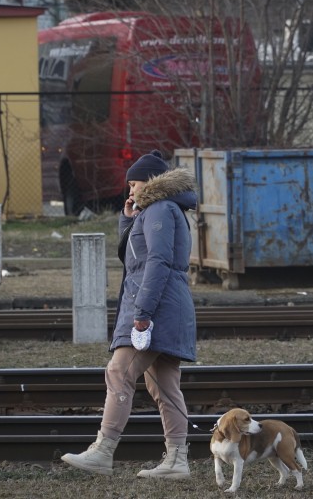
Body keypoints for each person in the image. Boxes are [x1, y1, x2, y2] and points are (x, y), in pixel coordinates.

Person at [61, 149, 198, 479]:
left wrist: (143, 313)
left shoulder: (161, 209)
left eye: (134, 183)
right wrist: (128, 220)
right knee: (163, 385)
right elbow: (139, 256)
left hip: (157, 309)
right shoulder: (160, 210)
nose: (130, 190)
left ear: (151, 182)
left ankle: (103, 452)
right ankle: (177, 461)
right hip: (169, 308)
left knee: (119, 372)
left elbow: (158, 262)